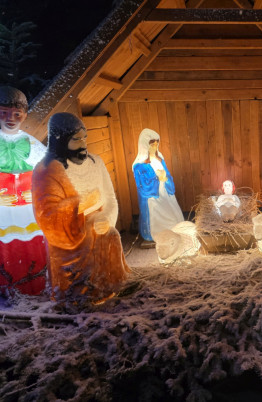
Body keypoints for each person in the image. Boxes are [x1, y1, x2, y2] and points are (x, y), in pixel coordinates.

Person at [32, 113, 130, 303]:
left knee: (111, 235)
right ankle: (80, 296)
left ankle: (110, 287)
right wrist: (82, 204)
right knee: (85, 256)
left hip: (97, 222)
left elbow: (110, 197)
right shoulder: (46, 171)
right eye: (76, 139)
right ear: (60, 139)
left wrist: (106, 218)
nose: (83, 143)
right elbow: (46, 215)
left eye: (85, 137)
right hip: (68, 234)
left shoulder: (96, 162)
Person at [0, 86, 47, 295]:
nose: (10, 118)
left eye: (17, 114)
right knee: (8, 247)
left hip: (28, 208)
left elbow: (48, 171)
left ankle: (36, 284)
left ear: (25, 115)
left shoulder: (31, 143)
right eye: (4, 112)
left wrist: (37, 191)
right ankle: (8, 287)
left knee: (32, 244)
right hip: (4, 211)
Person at [132, 128, 184, 242]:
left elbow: (168, 175)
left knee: (174, 217)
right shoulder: (139, 166)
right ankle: (157, 233)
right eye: (152, 144)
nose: (155, 147)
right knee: (157, 216)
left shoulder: (160, 160)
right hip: (153, 199)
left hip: (165, 194)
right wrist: (157, 178)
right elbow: (142, 186)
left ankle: (174, 231)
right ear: (145, 145)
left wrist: (165, 178)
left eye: (156, 144)